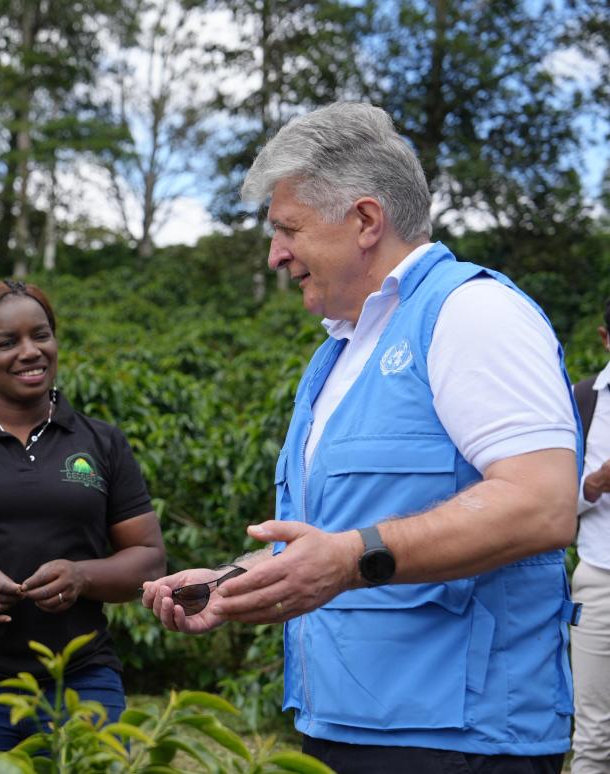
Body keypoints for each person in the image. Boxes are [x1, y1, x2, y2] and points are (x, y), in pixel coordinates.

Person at [142, 102, 582, 772]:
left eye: (288, 228)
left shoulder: (473, 314)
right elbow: (340, 539)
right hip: (344, 727)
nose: (276, 254)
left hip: (461, 743)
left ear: (366, 221)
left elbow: (543, 504)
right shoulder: (339, 356)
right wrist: (234, 583)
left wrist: (348, 559)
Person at [0, 280, 165, 750]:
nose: (30, 351)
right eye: (6, 342)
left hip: (80, 675)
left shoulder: (101, 443)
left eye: (41, 335)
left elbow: (149, 559)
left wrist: (82, 576)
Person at [571, 301, 610, 774]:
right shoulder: (584, 401)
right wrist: (594, 483)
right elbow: (552, 498)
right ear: (605, 339)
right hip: (600, 577)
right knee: (595, 734)